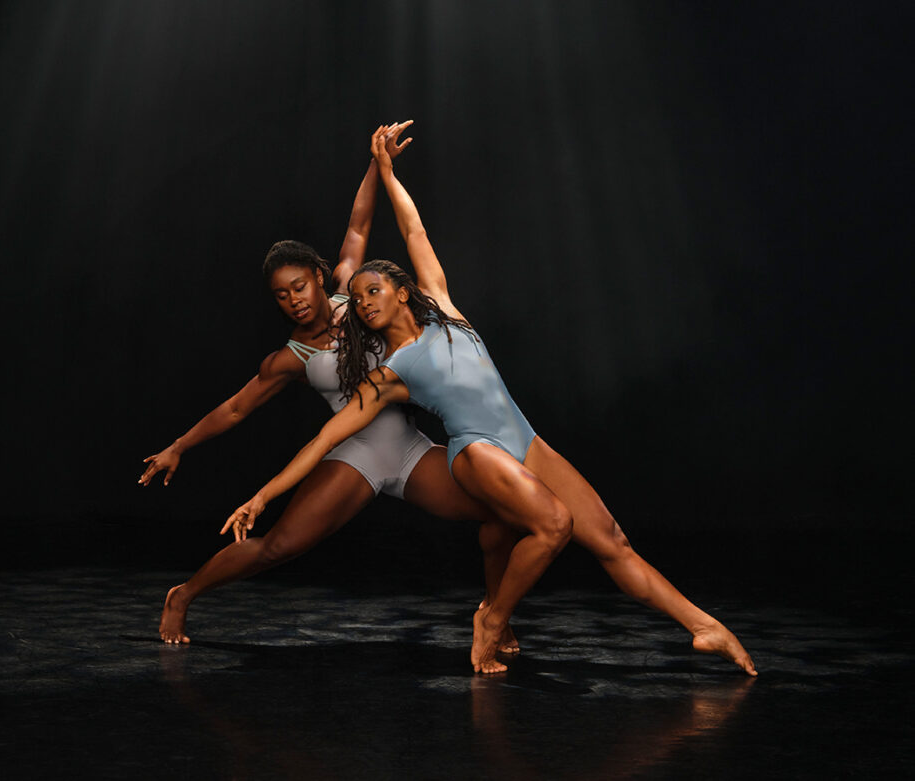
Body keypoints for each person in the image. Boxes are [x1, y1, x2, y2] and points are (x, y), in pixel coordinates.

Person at [227, 125, 757, 676]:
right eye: (356, 301)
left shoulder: (445, 308)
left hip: (524, 440)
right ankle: (492, 617)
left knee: (611, 539)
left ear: (402, 290)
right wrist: (263, 497)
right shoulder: (388, 373)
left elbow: (413, 227)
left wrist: (386, 171)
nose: (362, 304)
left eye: (372, 291)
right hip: (477, 451)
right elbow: (326, 440)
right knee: (553, 527)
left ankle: (704, 627)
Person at [140, 122, 518, 650]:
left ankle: (495, 615)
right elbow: (233, 411)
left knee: (503, 512)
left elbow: (359, 224)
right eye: (281, 295)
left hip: (409, 449)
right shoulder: (289, 358)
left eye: (299, 286)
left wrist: (375, 161)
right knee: (277, 548)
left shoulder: (350, 295)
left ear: (320, 277)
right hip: (355, 454)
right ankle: (184, 595)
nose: (294, 299)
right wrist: (178, 446)